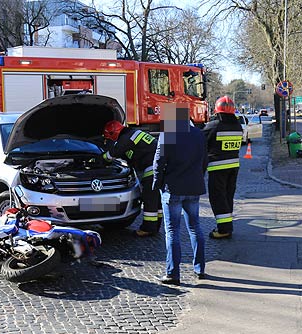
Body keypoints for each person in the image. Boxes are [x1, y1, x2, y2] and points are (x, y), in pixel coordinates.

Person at [153, 103, 207, 286]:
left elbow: (158, 163)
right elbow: (204, 161)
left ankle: (173, 274)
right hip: (194, 188)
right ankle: (200, 268)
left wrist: (157, 185)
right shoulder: (199, 134)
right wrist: (198, 179)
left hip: (172, 189)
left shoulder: (167, 134)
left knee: (172, 231)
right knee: (195, 227)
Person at [101, 120, 161, 237]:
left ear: (114, 133)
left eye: (110, 137)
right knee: (156, 200)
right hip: (158, 167)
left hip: (152, 168)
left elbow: (113, 153)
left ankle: (148, 228)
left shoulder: (126, 138)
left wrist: (101, 159)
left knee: (149, 198)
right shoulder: (132, 134)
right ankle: (155, 226)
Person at [202, 96, 243, 239]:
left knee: (218, 197)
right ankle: (226, 225)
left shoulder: (214, 125)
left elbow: (201, 142)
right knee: (227, 196)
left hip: (217, 167)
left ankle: (224, 229)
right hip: (234, 166)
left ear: (217, 111)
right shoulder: (238, 126)